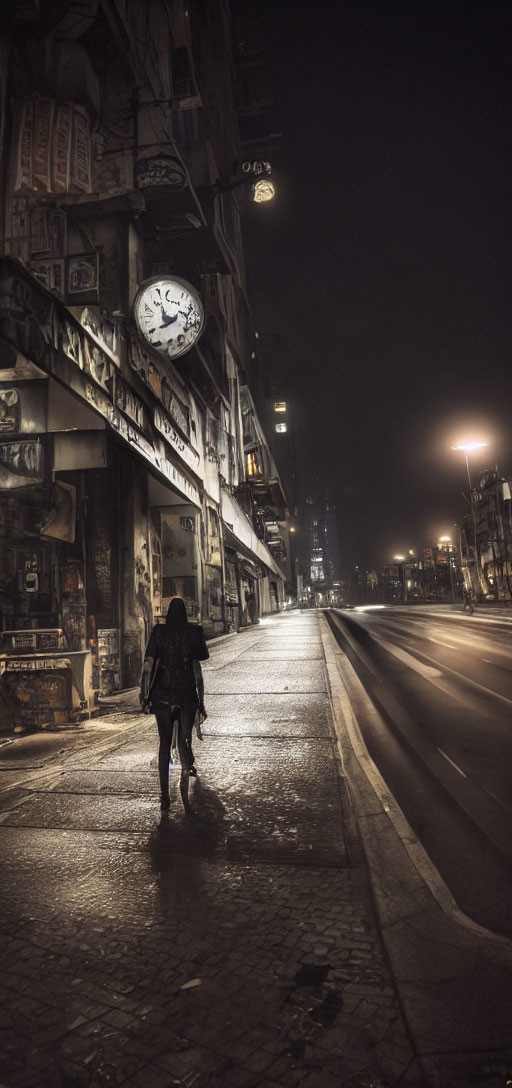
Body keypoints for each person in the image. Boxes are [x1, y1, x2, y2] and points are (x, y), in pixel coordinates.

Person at [140, 597, 209, 812]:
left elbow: (148, 665)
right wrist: (202, 701)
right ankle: (184, 792)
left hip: (162, 696)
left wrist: (144, 694)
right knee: (184, 741)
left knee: (163, 744)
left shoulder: (158, 632)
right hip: (187, 695)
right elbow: (198, 672)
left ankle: (164, 796)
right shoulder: (194, 633)